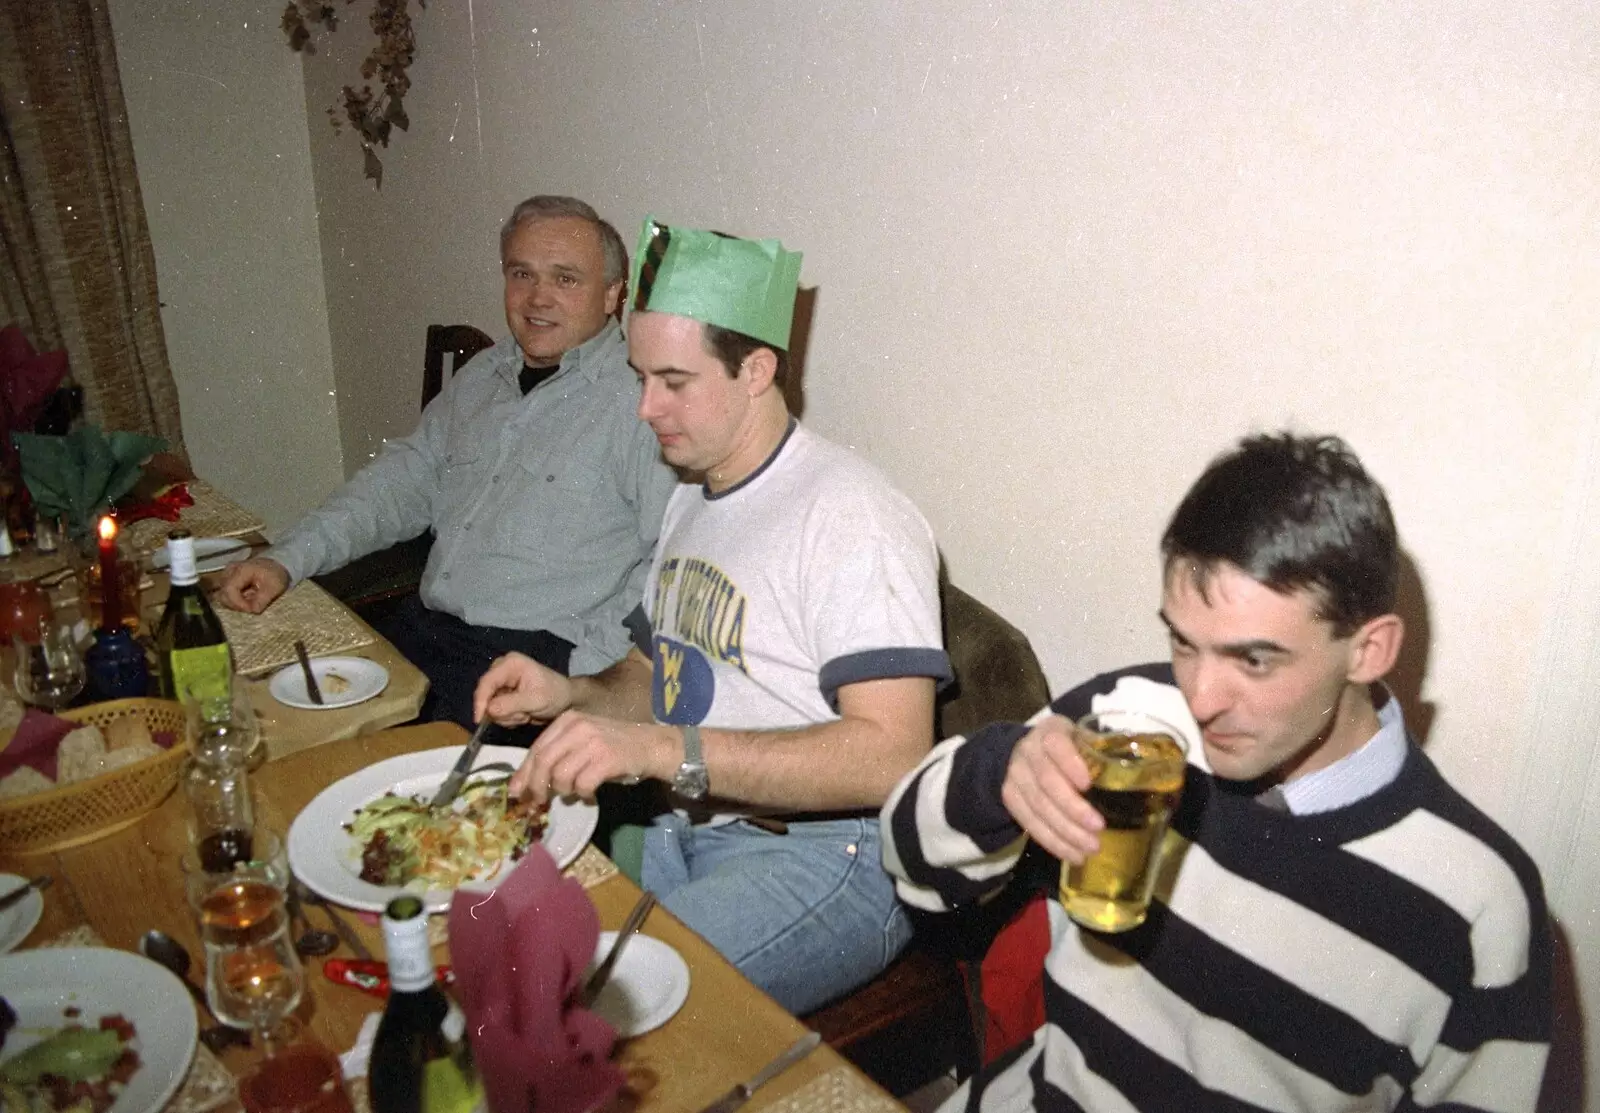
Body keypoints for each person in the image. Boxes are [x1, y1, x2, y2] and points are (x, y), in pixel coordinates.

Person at [881, 433, 1551, 1112]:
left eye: (1254, 660)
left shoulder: (1478, 903)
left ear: (1368, 650)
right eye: (1182, 641)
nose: (1200, 699)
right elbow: (910, 872)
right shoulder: (1126, 722)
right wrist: (996, 775)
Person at [474, 217, 952, 1014]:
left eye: (674, 381)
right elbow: (650, 676)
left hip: (828, 855)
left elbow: (894, 755)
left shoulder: (851, 513)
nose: (644, 408)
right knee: (491, 948)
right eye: (638, 377)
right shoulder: (694, 491)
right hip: (684, 834)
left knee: (569, 1014)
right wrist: (570, 694)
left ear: (757, 368)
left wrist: (663, 750)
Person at [216, 196, 677, 728]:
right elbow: (395, 486)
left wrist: (583, 676)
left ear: (613, 294)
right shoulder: (483, 377)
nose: (537, 298)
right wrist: (284, 559)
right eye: (521, 273)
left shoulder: (640, 401)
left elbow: (669, 561)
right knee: (261, 715)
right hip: (426, 631)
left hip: (531, 663)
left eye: (566, 279)